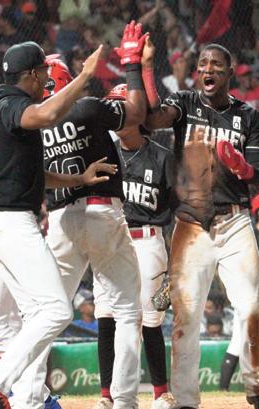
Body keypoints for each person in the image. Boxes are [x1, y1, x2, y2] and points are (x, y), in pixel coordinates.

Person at [0, 39, 118, 409]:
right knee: (57, 310)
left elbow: (37, 175)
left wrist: (79, 179)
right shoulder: (10, 105)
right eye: (44, 74)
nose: (47, 81)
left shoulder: (4, 109)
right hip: (10, 224)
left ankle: (30, 399)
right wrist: (84, 76)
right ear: (34, 75)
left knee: (38, 314)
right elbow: (48, 114)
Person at [144, 43, 259, 409]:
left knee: (251, 309)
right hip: (191, 227)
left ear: (229, 71)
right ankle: (186, 400)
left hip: (235, 222)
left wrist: (240, 167)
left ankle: (258, 390)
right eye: (203, 63)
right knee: (185, 317)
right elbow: (153, 119)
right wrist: (145, 67)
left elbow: (257, 173)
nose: (208, 69)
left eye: (216, 64)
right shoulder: (185, 103)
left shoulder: (248, 116)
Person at [41, 22, 150, 408]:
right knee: (127, 310)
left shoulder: (33, 123)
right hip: (102, 212)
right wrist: (132, 64)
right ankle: (124, 401)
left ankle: (30, 396)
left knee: (46, 313)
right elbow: (136, 113)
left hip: (60, 221)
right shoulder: (86, 106)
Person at [93, 80, 176, 409]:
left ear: (137, 113)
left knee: (150, 320)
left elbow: (178, 210)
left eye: (120, 107)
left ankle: (160, 392)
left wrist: (176, 259)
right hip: (110, 241)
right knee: (106, 316)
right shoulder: (102, 153)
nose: (114, 114)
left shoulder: (162, 157)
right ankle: (106, 395)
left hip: (148, 241)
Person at [220, 191, 259, 392]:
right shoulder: (251, 237)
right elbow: (241, 270)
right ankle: (222, 391)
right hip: (253, 296)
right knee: (239, 341)